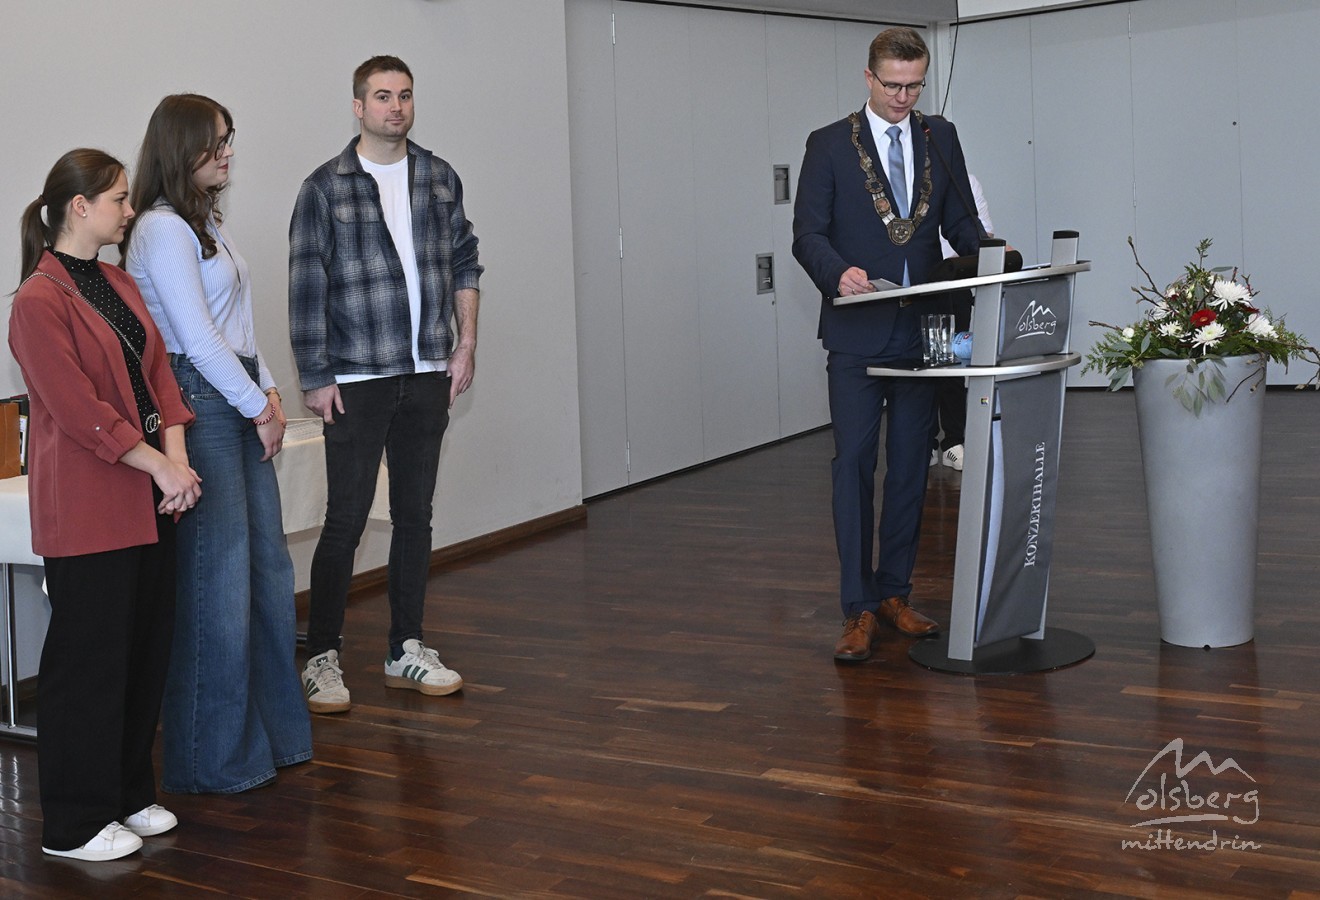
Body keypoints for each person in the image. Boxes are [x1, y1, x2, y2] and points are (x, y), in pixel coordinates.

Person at [9, 149, 201, 860]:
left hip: (147, 490)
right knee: (88, 664)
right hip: (91, 501)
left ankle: (127, 794)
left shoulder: (117, 280)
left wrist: (176, 460)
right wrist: (159, 465)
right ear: (79, 206)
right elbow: (79, 410)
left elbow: (159, 378)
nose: (130, 209)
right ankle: (73, 824)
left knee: (142, 652)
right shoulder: (37, 300)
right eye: (119, 199)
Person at [123, 94, 313, 792]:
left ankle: (277, 738)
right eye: (216, 141)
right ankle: (210, 759)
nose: (228, 152)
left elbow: (239, 326)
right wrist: (254, 405)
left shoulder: (205, 223)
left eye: (230, 138)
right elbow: (196, 338)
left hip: (232, 392)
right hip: (199, 402)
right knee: (218, 584)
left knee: (268, 574)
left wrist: (270, 392)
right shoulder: (160, 227)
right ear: (182, 148)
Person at [289, 55, 482, 713]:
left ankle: (406, 648)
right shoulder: (325, 188)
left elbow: (465, 262)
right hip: (355, 377)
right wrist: (315, 376)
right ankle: (322, 658)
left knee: (414, 516)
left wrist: (466, 345)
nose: (394, 107)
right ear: (358, 106)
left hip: (427, 372)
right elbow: (306, 285)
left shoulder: (439, 177)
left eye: (403, 95)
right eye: (381, 96)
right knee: (344, 519)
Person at [792, 27, 984, 662]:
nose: (904, 97)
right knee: (853, 465)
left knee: (908, 468)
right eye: (894, 85)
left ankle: (896, 594)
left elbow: (960, 221)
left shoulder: (940, 136)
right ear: (869, 77)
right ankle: (857, 608)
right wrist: (836, 272)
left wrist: (992, 251)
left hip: (923, 328)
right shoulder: (828, 144)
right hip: (858, 330)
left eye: (915, 86)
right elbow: (807, 234)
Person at [931, 171, 995, 473]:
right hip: (915, 285)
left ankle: (954, 441)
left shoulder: (966, 181)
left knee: (953, 364)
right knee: (921, 365)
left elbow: (984, 235)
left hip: (955, 281)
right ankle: (926, 442)